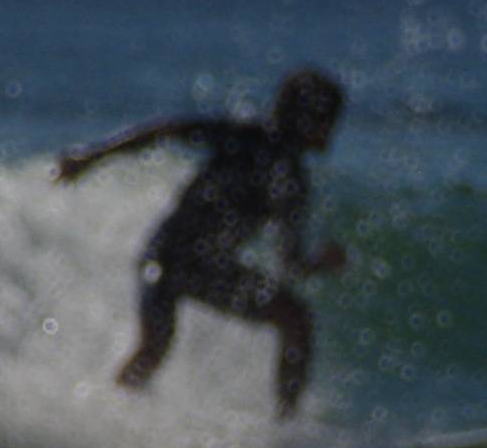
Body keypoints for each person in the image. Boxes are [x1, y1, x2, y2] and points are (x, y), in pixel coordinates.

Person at [52, 67, 350, 418]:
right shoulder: (244, 137)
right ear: (307, 118)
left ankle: (286, 425)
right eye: (328, 120)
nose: (332, 131)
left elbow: (289, 263)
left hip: (210, 269)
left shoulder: (294, 183)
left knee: (296, 318)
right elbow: (166, 130)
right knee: (153, 349)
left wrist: (320, 263)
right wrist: (92, 156)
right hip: (167, 257)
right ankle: (99, 416)